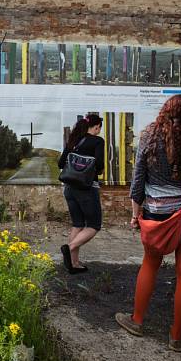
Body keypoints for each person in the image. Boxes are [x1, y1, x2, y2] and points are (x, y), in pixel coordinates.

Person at [116, 94, 181, 352]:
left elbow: (138, 181)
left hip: (159, 213)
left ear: (164, 111)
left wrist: (135, 214)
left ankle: (137, 321)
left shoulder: (150, 137)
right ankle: (176, 336)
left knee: (151, 264)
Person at [58, 114, 105, 274]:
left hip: (69, 188)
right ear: (97, 126)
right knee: (93, 225)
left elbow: (60, 163)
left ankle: (74, 263)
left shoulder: (74, 140)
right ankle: (69, 248)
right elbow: (99, 166)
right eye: (99, 128)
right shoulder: (98, 141)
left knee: (77, 224)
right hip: (87, 189)